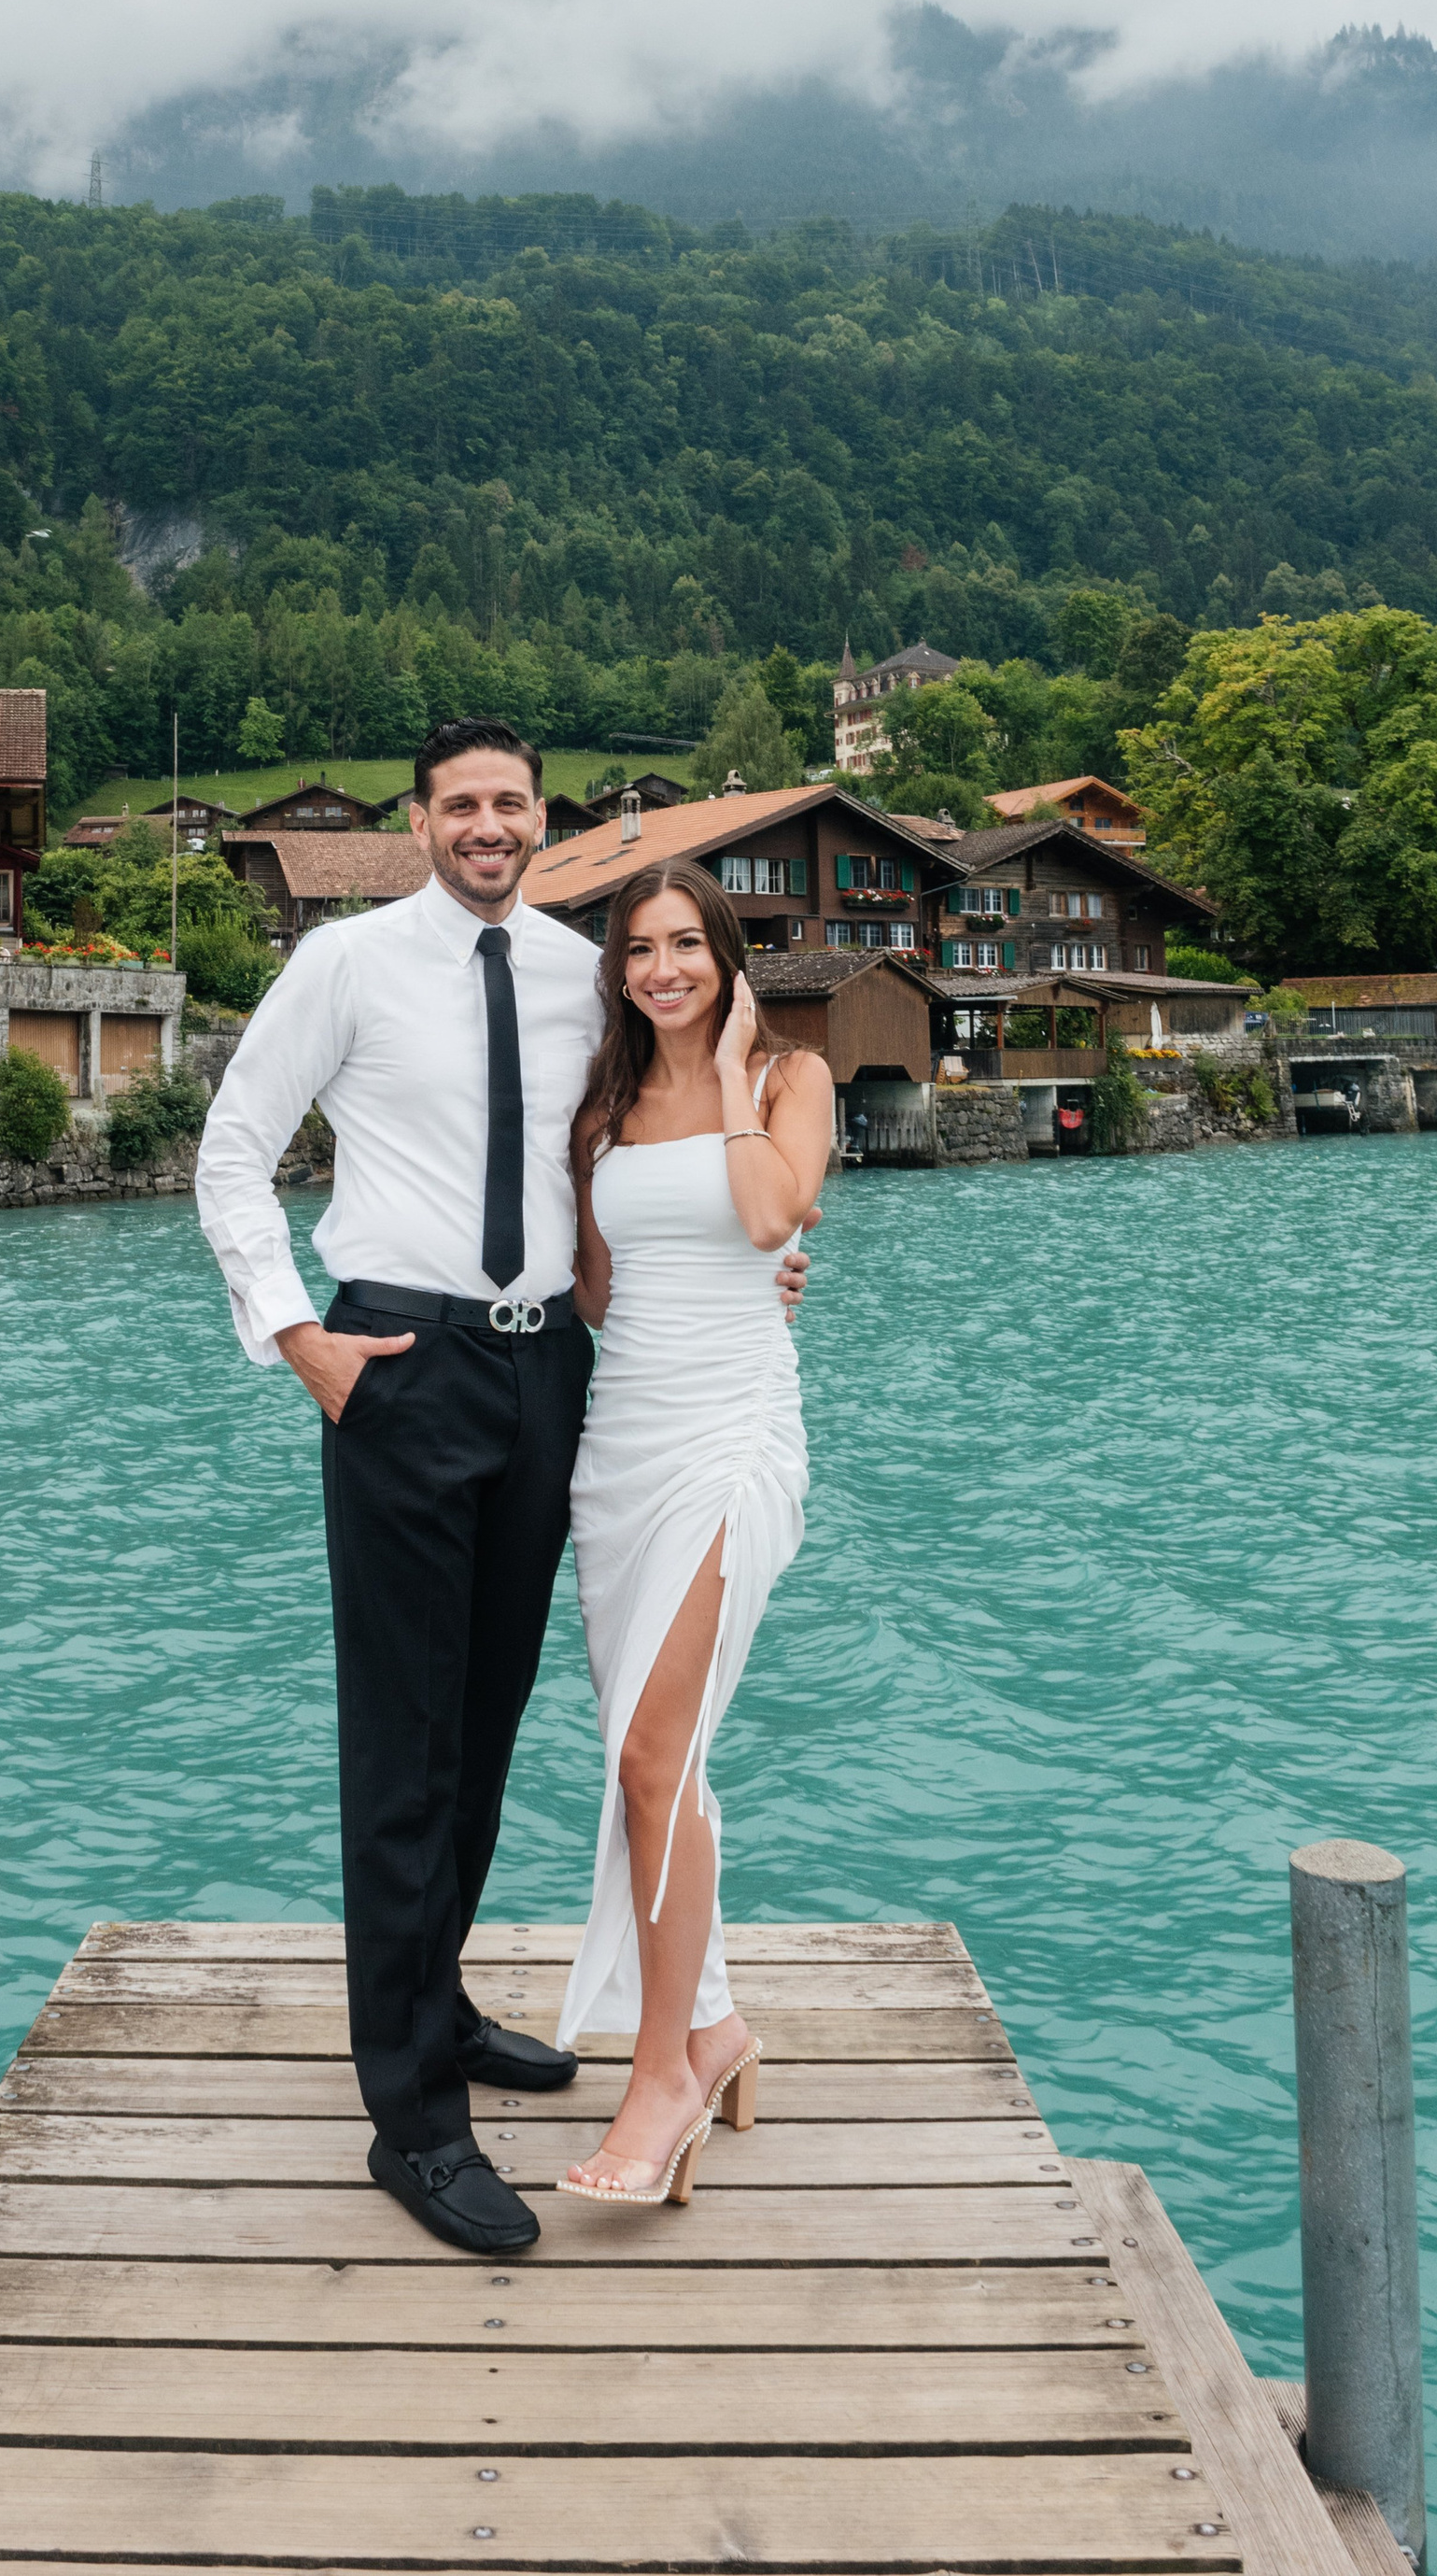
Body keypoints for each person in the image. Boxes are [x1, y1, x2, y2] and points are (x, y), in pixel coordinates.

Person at [195, 723, 810, 2259]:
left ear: (545, 819)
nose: (487, 823)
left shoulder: (577, 977)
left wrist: (753, 1270)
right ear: (419, 819)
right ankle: (411, 2112)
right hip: (400, 1359)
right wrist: (299, 1340)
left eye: (510, 802)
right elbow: (232, 1148)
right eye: (461, 802)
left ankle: (442, 2000)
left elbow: (632, 1174)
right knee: (403, 1736)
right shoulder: (343, 962)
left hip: (552, 1380)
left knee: (485, 1719)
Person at [554, 855, 828, 2206]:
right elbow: (600, 1293)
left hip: (733, 1442)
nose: (662, 967)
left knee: (661, 1751)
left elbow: (775, 1210)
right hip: (620, 1451)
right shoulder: (600, 1102)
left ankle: (662, 2072)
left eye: (686, 944)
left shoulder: (792, 1079)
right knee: (645, 1760)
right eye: (639, 950)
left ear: (726, 955)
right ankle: (714, 2022)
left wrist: (727, 1076)